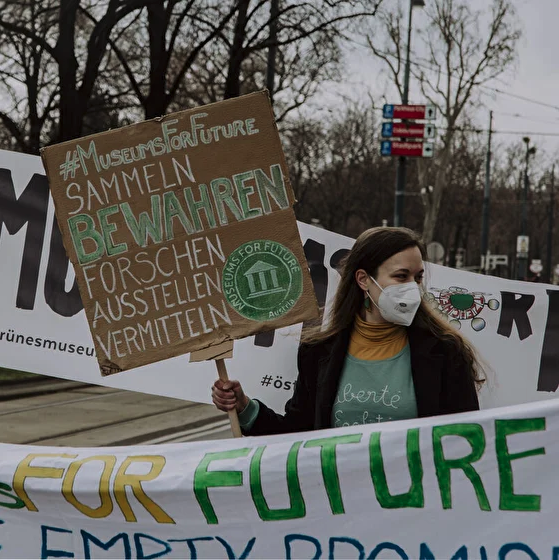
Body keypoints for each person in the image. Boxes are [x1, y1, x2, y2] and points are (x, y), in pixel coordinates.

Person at [212, 227, 484, 435]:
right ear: (364, 279)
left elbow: (465, 438)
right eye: (401, 276)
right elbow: (298, 433)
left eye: (418, 277)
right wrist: (245, 408)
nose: (413, 287)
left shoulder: (445, 351)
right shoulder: (317, 352)